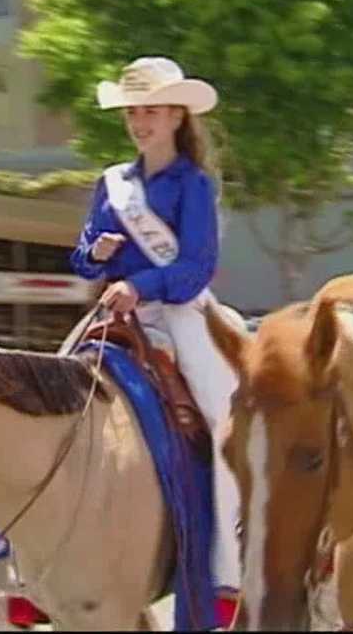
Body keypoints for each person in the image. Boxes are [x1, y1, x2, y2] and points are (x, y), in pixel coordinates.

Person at [69, 56, 241, 626]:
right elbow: (81, 253)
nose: (140, 121)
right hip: (117, 312)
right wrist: (93, 254)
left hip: (181, 314)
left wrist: (137, 284)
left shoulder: (194, 184)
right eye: (133, 111)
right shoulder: (112, 183)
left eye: (151, 111)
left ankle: (228, 569)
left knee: (224, 422)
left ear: (176, 115)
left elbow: (196, 268)